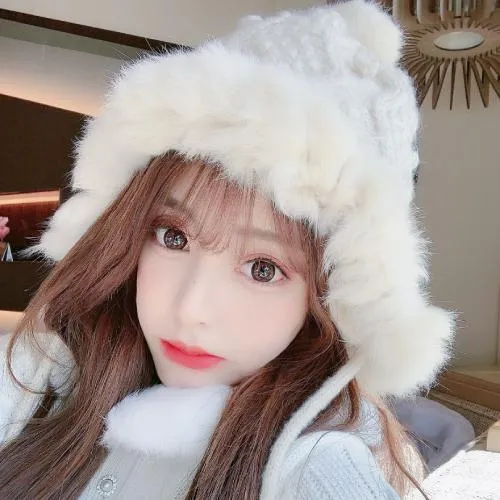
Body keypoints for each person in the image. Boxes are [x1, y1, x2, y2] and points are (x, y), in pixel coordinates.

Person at [0, 1, 454, 498]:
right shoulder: (37, 376)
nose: (190, 309)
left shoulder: (313, 461)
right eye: (174, 237)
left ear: (329, 298)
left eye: (263, 268)